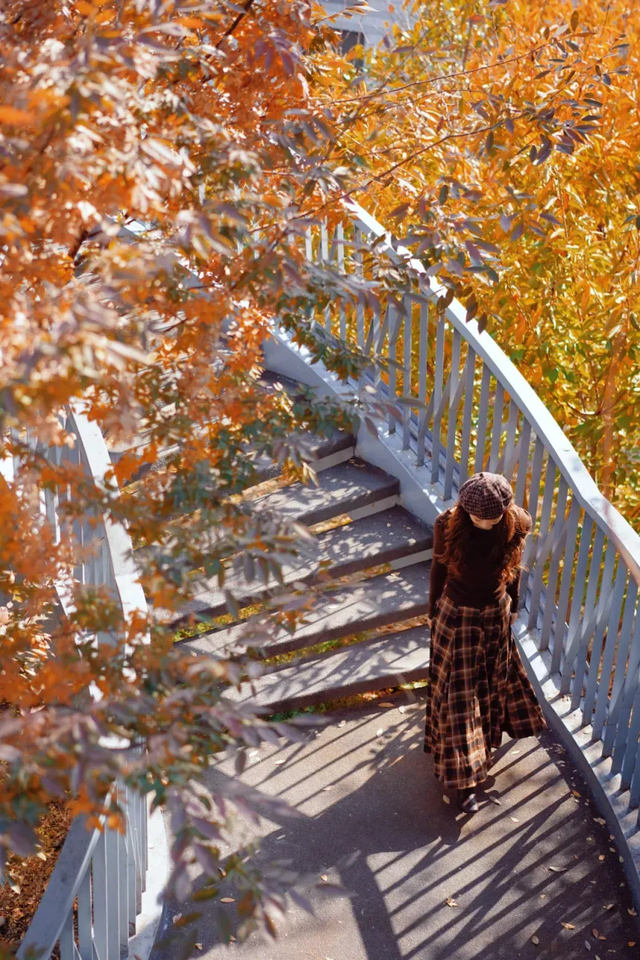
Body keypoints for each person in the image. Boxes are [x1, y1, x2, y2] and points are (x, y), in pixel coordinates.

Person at [423, 471, 545, 814]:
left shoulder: (519, 522)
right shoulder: (447, 524)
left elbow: (513, 568)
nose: (485, 524)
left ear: (506, 510)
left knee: (490, 685)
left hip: (495, 613)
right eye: (477, 518)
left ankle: (481, 750)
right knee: (459, 698)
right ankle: (464, 783)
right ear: (465, 510)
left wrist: (514, 606)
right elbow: (438, 568)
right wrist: (431, 611)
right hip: (456, 614)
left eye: (492, 518)